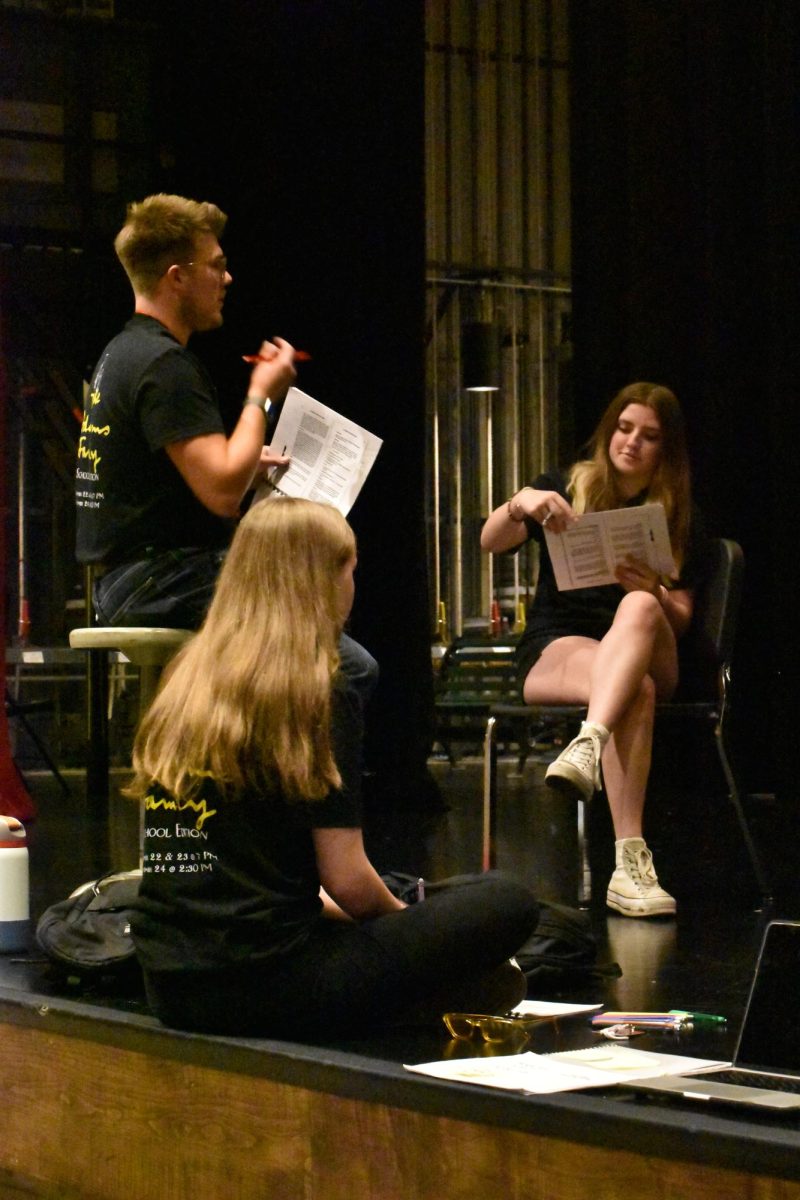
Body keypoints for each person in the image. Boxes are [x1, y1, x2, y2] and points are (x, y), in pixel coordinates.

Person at [127, 498, 539, 1038]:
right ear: (318, 582)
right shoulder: (320, 687)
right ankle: (426, 994)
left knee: (422, 891)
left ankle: (425, 993)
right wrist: (413, 940)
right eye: (350, 569)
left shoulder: (187, 676)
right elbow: (346, 881)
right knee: (507, 899)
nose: (353, 585)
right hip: (271, 985)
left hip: (170, 987)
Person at [74, 193, 376, 698]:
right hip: (161, 582)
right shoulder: (165, 365)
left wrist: (243, 464)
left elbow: (173, 474)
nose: (227, 279)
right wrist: (261, 392)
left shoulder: (124, 352)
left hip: (134, 581)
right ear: (177, 276)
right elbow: (220, 494)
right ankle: (297, 776)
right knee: (346, 669)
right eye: (216, 266)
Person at [481, 382, 704, 919]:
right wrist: (520, 504)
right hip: (563, 643)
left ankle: (589, 739)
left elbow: (684, 617)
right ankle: (629, 867)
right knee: (635, 691)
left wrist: (650, 588)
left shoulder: (675, 511)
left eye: (649, 436)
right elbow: (490, 541)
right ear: (609, 430)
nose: (631, 443)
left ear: (665, 449)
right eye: (624, 429)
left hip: (651, 644)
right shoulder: (564, 486)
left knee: (643, 611)